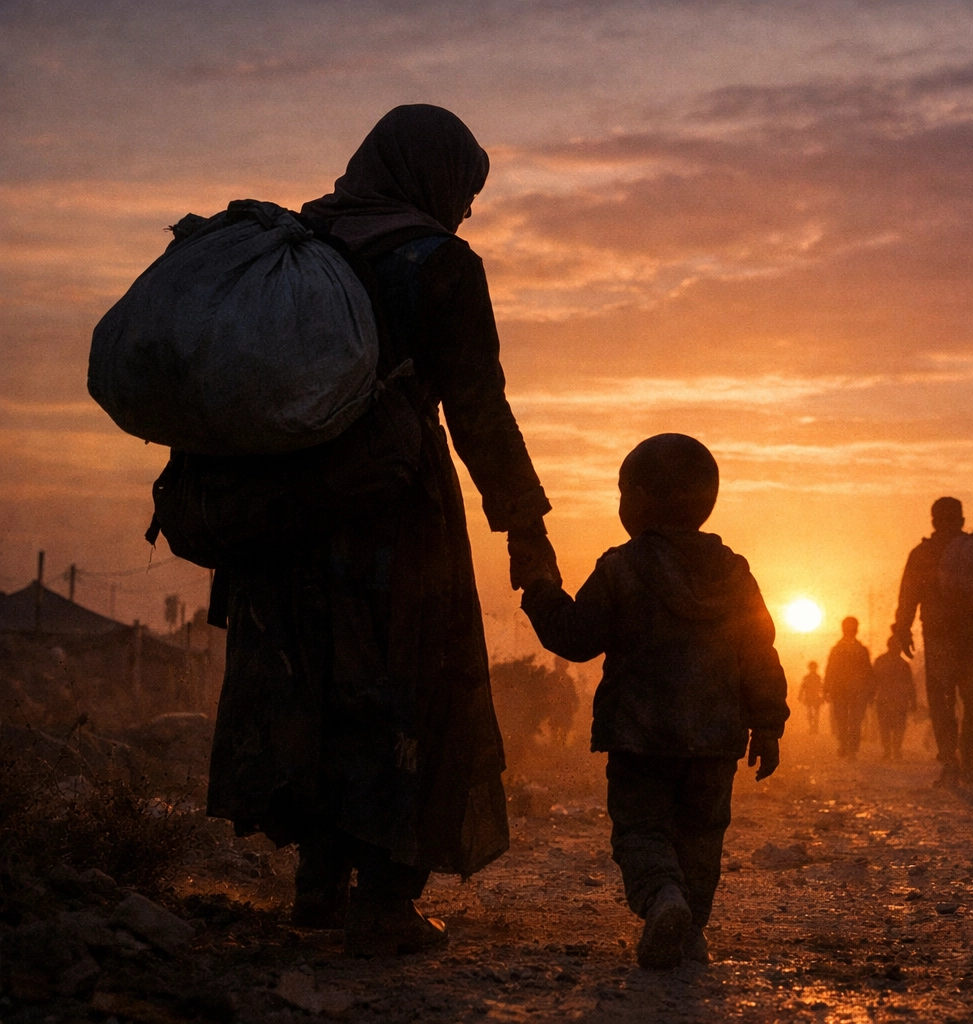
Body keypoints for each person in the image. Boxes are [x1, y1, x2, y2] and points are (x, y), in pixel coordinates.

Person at [205, 106, 557, 956]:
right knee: (408, 686)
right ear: (430, 176)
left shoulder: (301, 245)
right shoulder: (438, 264)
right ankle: (385, 899)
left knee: (314, 681)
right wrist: (525, 526)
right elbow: (478, 408)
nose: (467, 209)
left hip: (289, 520)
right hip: (395, 516)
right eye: (465, 190)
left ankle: (319, 883)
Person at [521, 433, 789, 969]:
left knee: (641, 829)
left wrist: (541, 587)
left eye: (622, 493)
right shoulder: (736, 572)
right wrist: (768, 724)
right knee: (702, 837)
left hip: (640, 736)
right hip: (715, 741)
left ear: (639, 498)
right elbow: (760, 651)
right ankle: (690, 934)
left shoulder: (623, 566)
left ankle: (663, 900)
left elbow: (574, 637)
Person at [893, 497, 973, 787]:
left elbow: (908, 597)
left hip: (939, 637)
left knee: (941, 701)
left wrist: (902, 631)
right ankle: (967, 754)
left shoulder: (922, 553)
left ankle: (950, 761)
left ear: (933, 521)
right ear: (962, 521)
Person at [824, 617, 873, 759]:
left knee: (853, 721)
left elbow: (868, 671)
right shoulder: (839, 649)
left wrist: (870, 690)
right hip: (842, 690)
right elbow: (830, 669)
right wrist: (827, 688)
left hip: (855, 691)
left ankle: (850, 748)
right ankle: (846, 746)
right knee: (844, 720)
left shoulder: (858, 650)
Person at [870, 633, 917, 759]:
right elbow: (910, 684)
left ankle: (889, 751)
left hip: (885, 699)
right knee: (898, 726)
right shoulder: (903, 664)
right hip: (899, 700)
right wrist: (913, 701)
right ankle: (895, 750)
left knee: (886, 726)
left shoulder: (881, 661)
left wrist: (871, 696)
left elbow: (873, 681)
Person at [799, 661, 825, 735]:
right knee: (812, 712)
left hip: (813, 697)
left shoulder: (815, 677)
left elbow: (820, 687)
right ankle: (813, 727)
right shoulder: (816, 677)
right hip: (812, 697)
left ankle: (813, 727)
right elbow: (803, 687)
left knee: (813, 712)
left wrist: (800, 695)